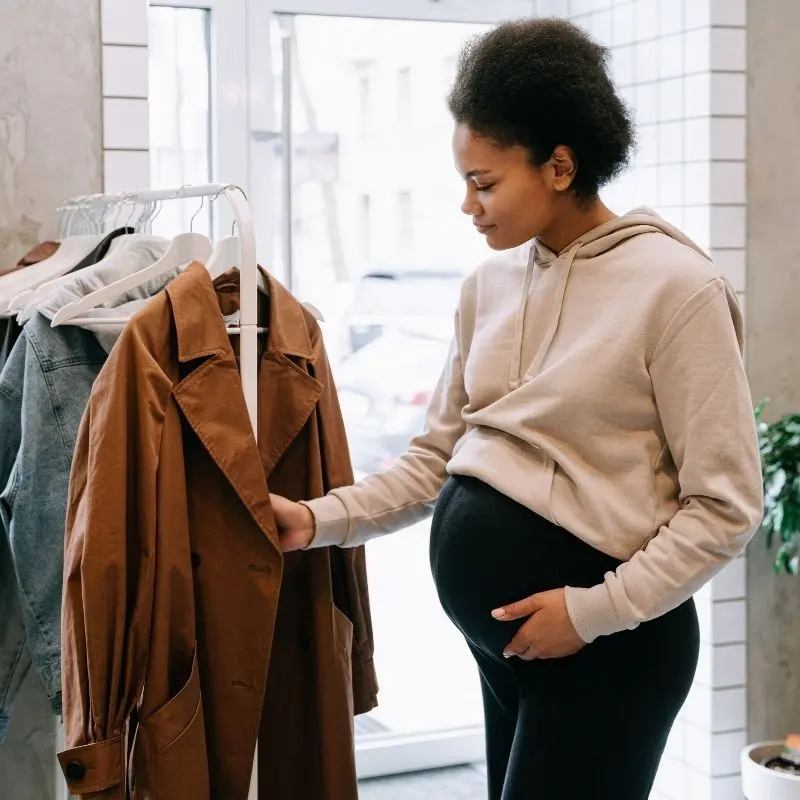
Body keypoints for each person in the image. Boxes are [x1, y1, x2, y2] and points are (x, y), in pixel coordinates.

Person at [269, 17, 763, 800]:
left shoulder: (677, 289)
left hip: (610, 649)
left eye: (486, 182)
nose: (468, 204)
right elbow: (437, 459)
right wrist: (317, 519)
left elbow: (726, 506)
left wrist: (593, 612)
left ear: (560, 166)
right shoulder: (486, 288)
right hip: (508, 647)